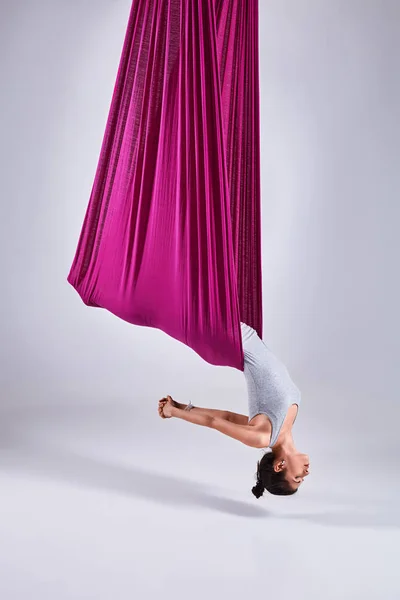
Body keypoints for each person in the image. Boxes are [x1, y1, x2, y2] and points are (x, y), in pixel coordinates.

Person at [158, 322, 310, 497]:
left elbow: (215, 421)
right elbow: (228, 417)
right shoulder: (283, 427)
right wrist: (181, 406)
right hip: (241, 334)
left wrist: (173, 411)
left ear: (279, 466)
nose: (306, 474)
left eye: (297, 477)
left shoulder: (262, 437)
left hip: (230, 338)